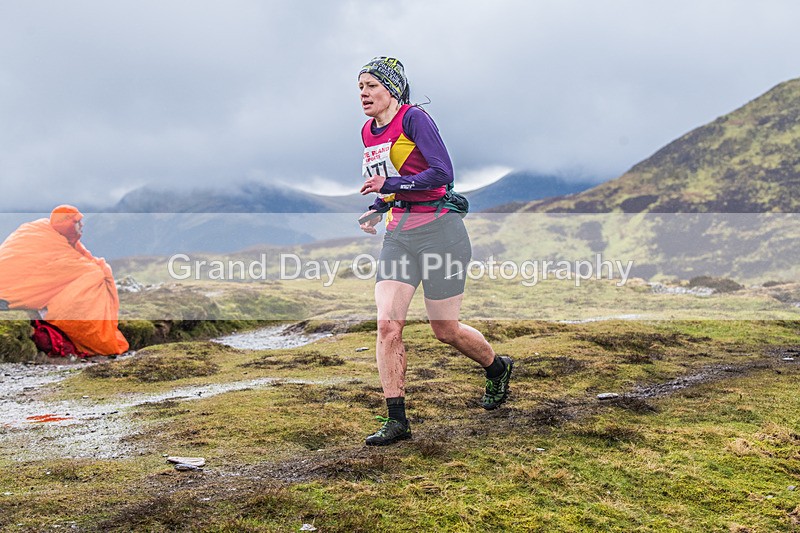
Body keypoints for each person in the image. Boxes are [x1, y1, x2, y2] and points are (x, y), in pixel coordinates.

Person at [357, 57, 513, 446]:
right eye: (359, 86)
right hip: (399, 235)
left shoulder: (414, 120)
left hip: (441, 232)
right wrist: (379, 207)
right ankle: (397, 421)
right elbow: (395, 187)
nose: (363, 93)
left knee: (445, 330)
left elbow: (443, 173)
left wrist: (389, 184)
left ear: (391, 89)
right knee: (388, 326)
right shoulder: (367, 131)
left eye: (371, 85)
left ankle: (496, 368)